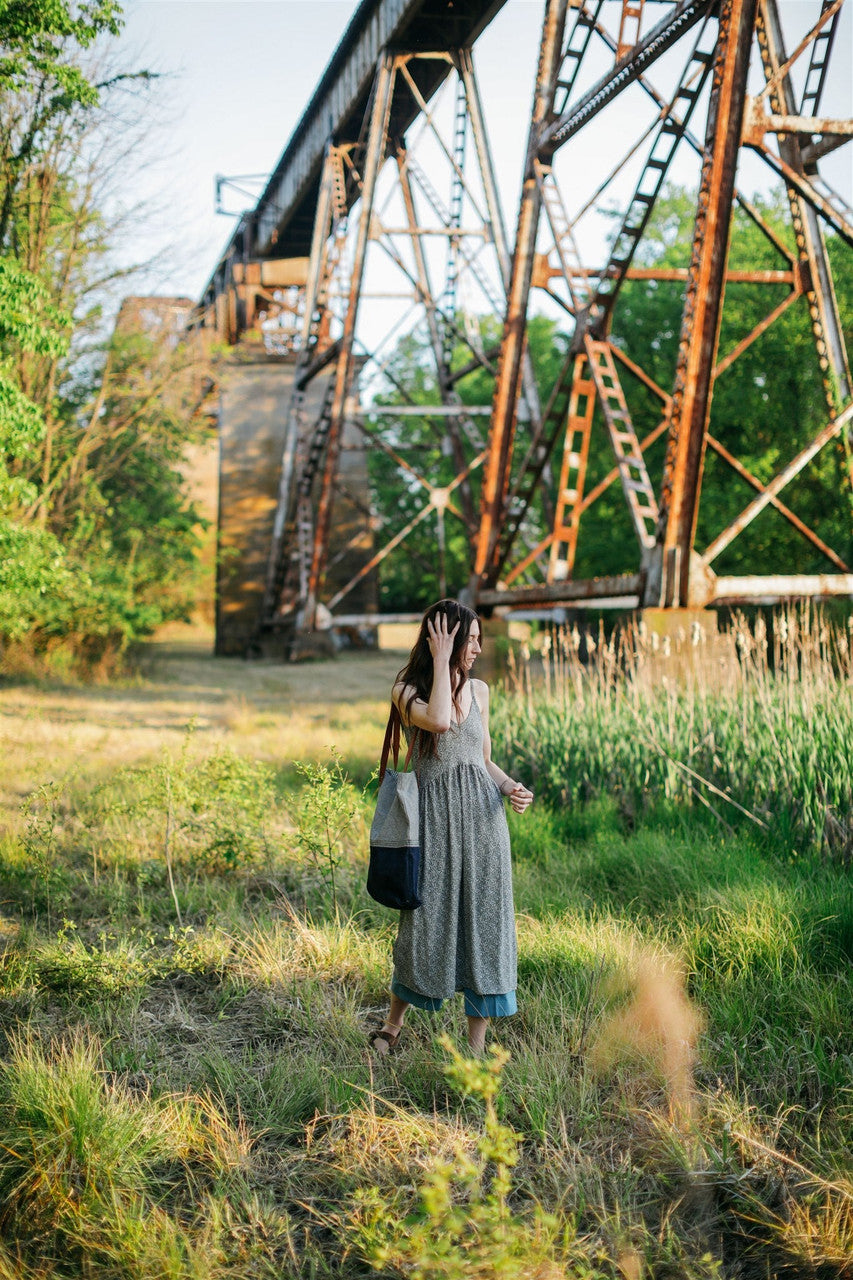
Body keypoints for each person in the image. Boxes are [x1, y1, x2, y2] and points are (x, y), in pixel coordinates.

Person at [371, 598, 533, 1058]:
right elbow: (440, 721)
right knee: (424, 924)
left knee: (484, 923)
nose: (478, 648)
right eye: (471, 639)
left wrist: (509, 787)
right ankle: (392, 1026)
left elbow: (482, 761)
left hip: (483, 822)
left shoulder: (480, 691)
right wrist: (442, 662)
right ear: (444, 639)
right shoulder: (406, 690)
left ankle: (476, 1049)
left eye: (480, 639)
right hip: (434, 824)